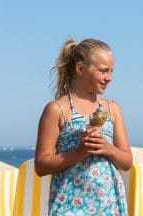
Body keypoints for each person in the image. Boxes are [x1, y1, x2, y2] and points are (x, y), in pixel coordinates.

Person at [34, 38, 133, 215]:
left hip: (109, 205)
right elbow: (41, 166)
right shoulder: (57, 110)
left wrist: (108, 149)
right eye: (103, 71)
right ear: (80, 69)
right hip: (69, 206)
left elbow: (127, 162)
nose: (109, 77)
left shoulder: (112, 109)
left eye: (111, 71)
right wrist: (80, 152)